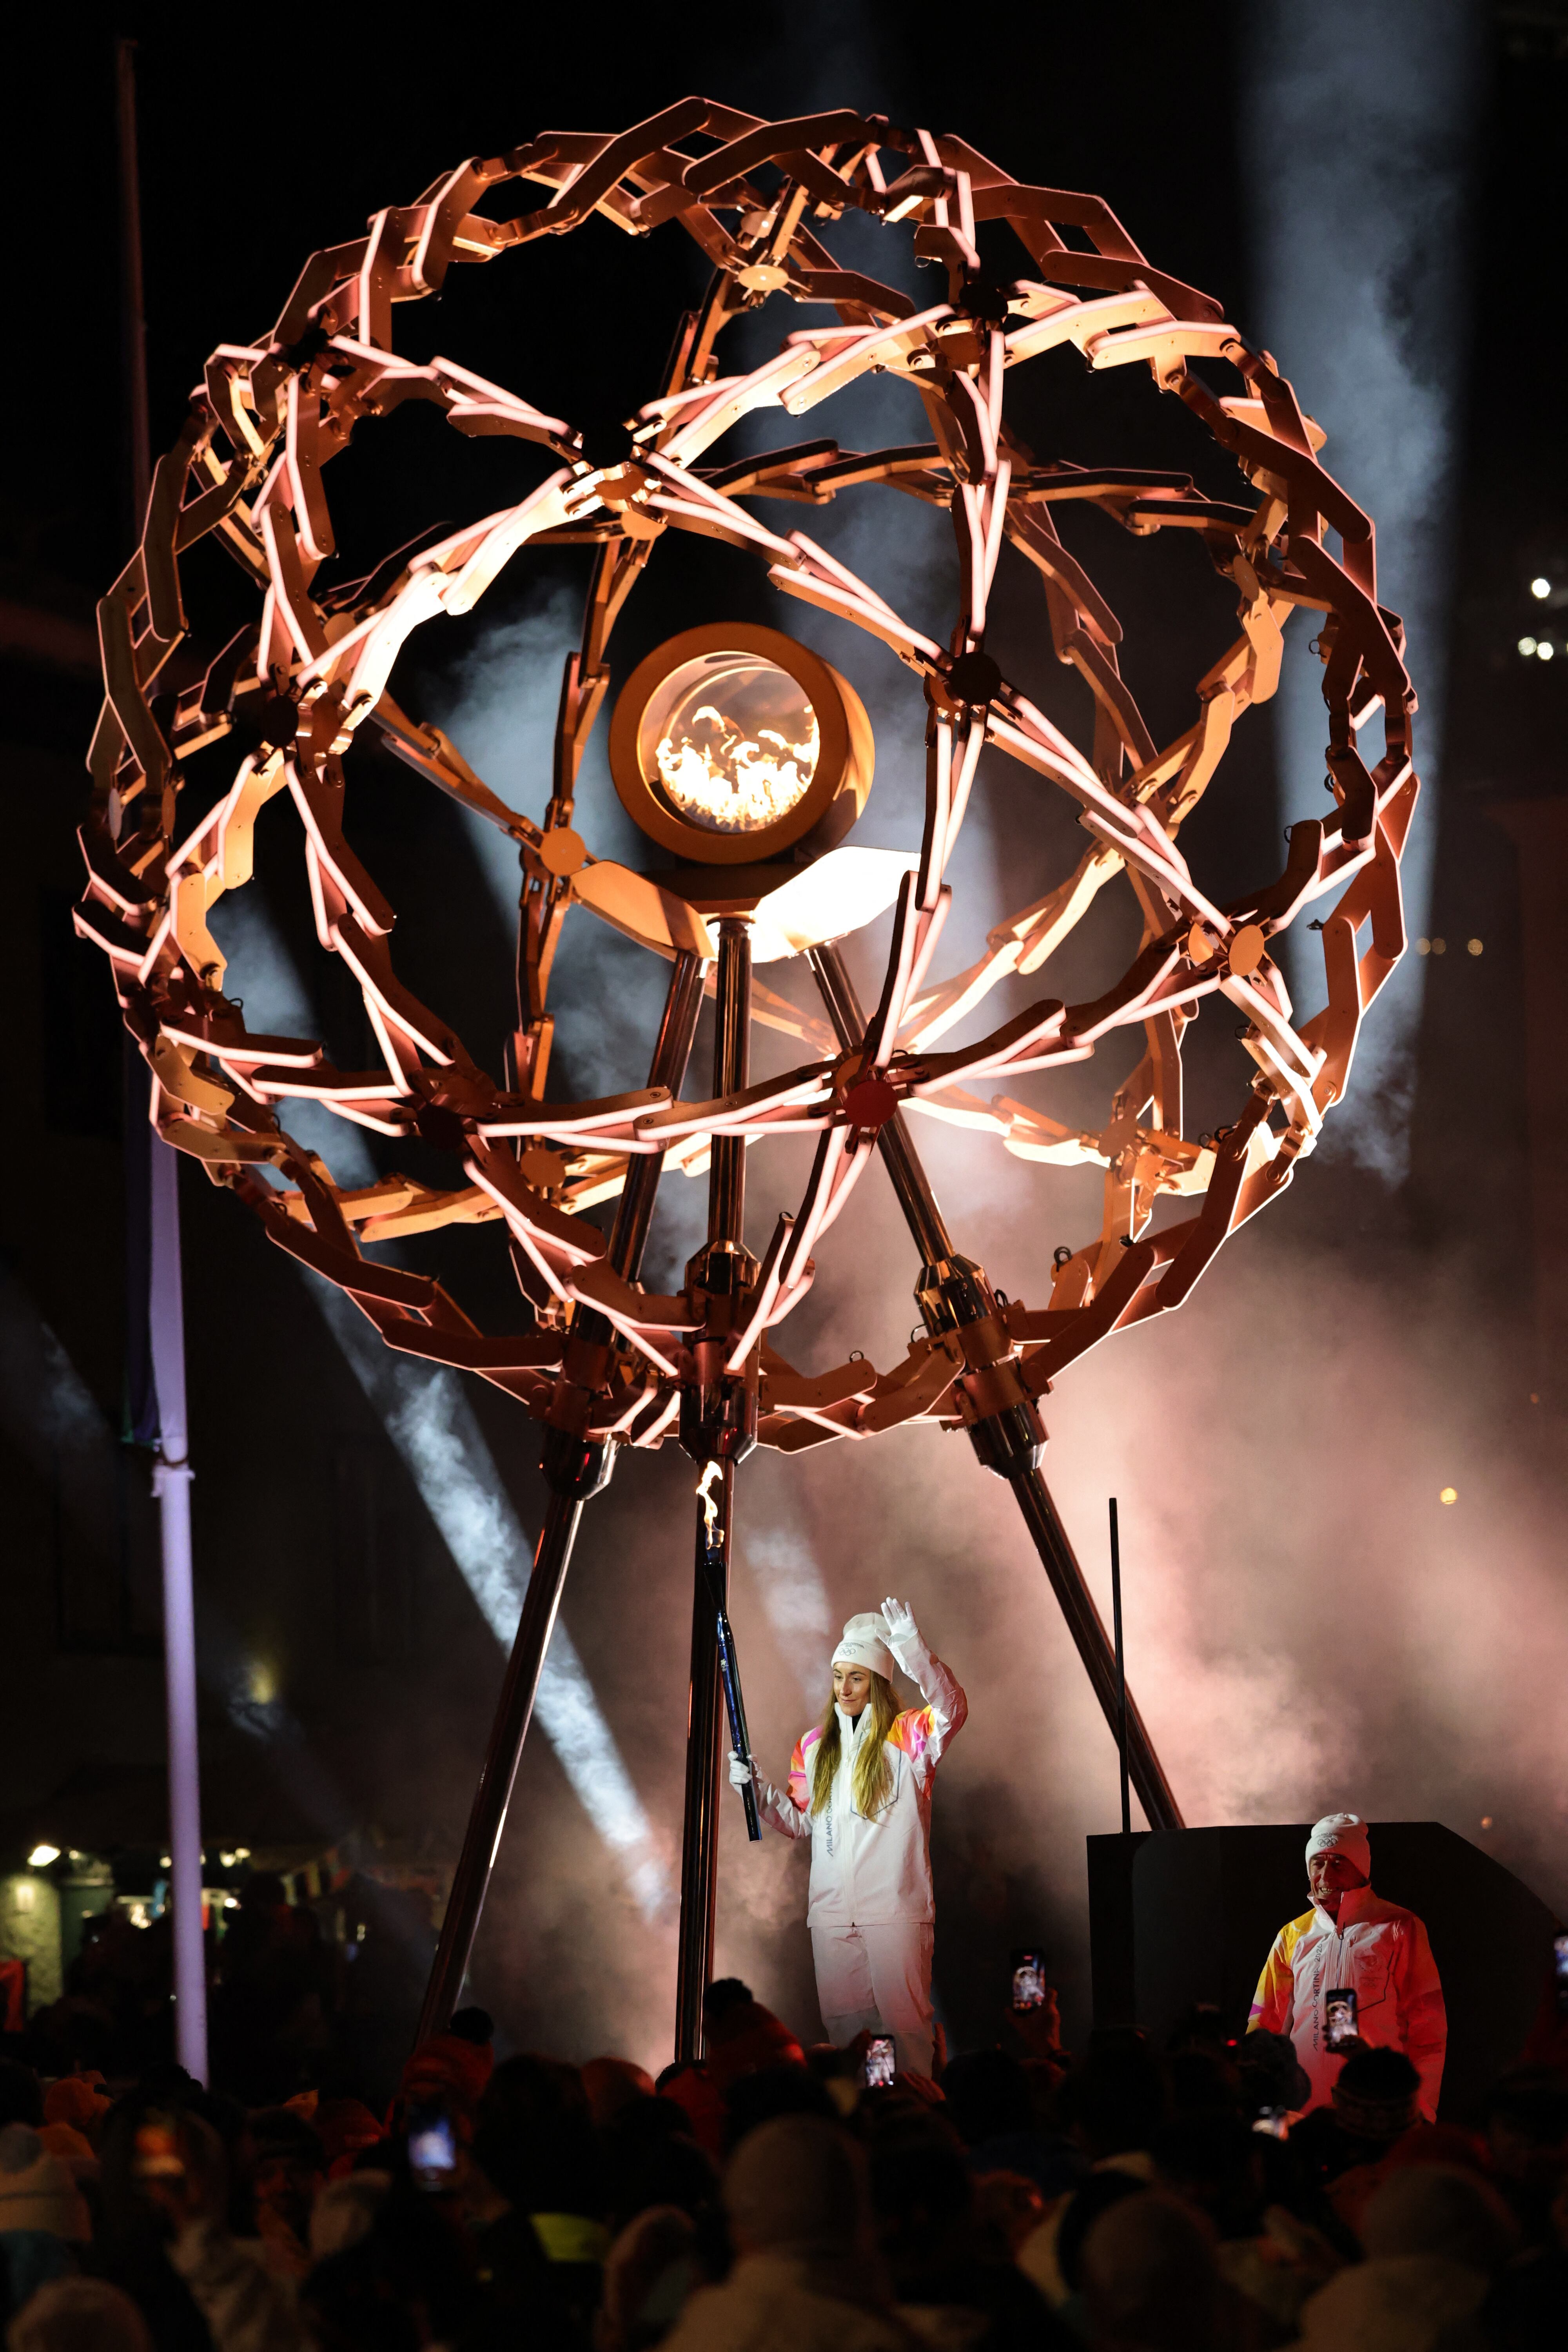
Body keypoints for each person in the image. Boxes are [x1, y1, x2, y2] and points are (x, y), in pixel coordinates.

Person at [728, 1598, 965, 2079]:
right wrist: (755, 1790)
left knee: (903, 2030)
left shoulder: (908, 1737)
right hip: (834, 1915)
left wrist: (912, 1651)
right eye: (838, 1676)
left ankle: (912, 2112)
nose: (844, 1688)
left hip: (893, 1911)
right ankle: (870, 2117)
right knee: (850, 2035)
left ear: (877, 1682)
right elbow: (799, 1821)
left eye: (856, 1677)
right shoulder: (815, 1747)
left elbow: (952, 1709)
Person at [1248, 1812, 1447, 2121]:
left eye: (1339, 1863)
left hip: (1375, 2110)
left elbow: (1429, 2030)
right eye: (1319, 1863)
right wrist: (1262, 2105)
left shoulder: (1399, 1927)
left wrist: (1419, 2110)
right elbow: (1264, 2023)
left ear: (1361, 1869)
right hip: (1304, 2112)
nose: (1326, 1875)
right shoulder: (1293, 1935)